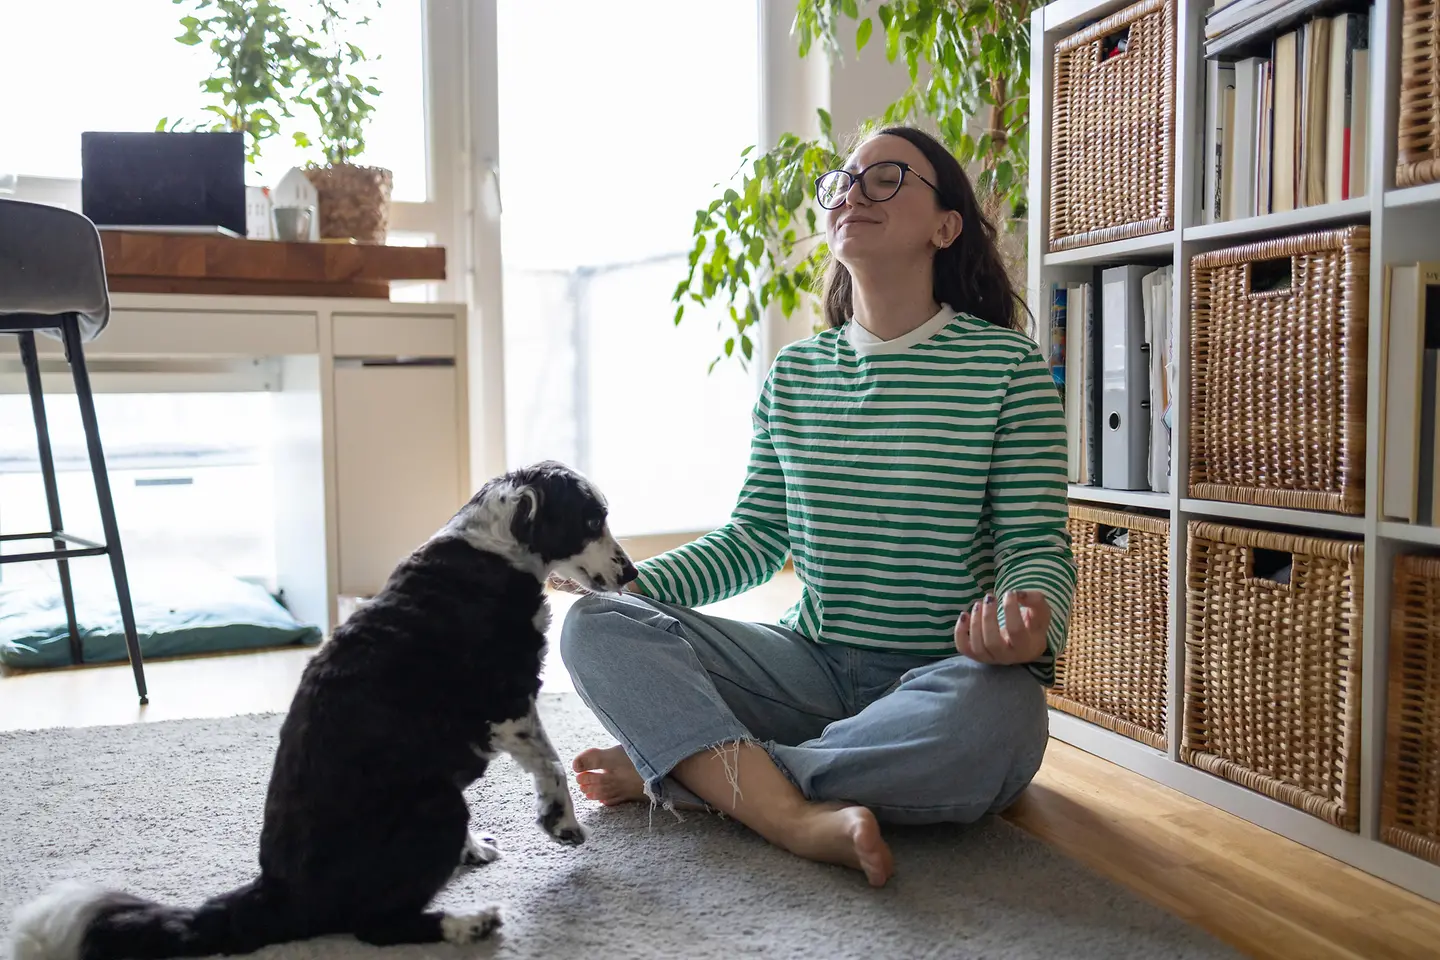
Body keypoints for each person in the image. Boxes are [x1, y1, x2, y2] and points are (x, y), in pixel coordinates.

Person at [557, 125, 1074, 888]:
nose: (854, 192)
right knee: (595, 626)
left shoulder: (1006, 367)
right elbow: (755, 538)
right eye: (844, 181)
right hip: (806, 670)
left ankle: (701, 775)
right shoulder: (795, 373)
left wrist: (1029, 621)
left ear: (945, 227)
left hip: (942, 675)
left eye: (887, 177)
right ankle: (788, 809)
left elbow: (1034, 544)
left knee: (1005, 717)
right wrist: (628, 586)